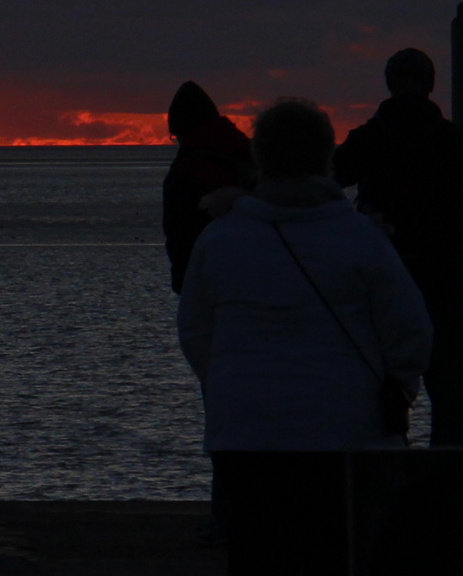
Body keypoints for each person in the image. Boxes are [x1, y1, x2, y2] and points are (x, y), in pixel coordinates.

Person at [179, 99, 432, 575]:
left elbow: (195, 331)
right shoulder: (362, 238)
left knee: (258, 555)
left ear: (261, 158)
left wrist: (227, 385)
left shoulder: (220, 239)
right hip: (344, 429)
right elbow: (410, 329)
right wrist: (397, 388)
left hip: (247, 430)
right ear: (325, 158)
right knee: (335, 554)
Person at [330, 48, 463, 443]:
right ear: (430, 86)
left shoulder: (369, 138)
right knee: (450, 392)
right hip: (445, 278)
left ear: (389, 83)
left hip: (383, 276)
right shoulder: (455, 141)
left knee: (381, 387)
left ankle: (388, 477)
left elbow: (330, 183)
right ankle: (448, 480)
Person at [163, 80, 257, 293]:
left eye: (175, 137)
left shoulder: (185, 170)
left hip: (209, 283)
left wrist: (183, 283)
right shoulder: (252, 156)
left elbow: (180, 238)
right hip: (262, 278)